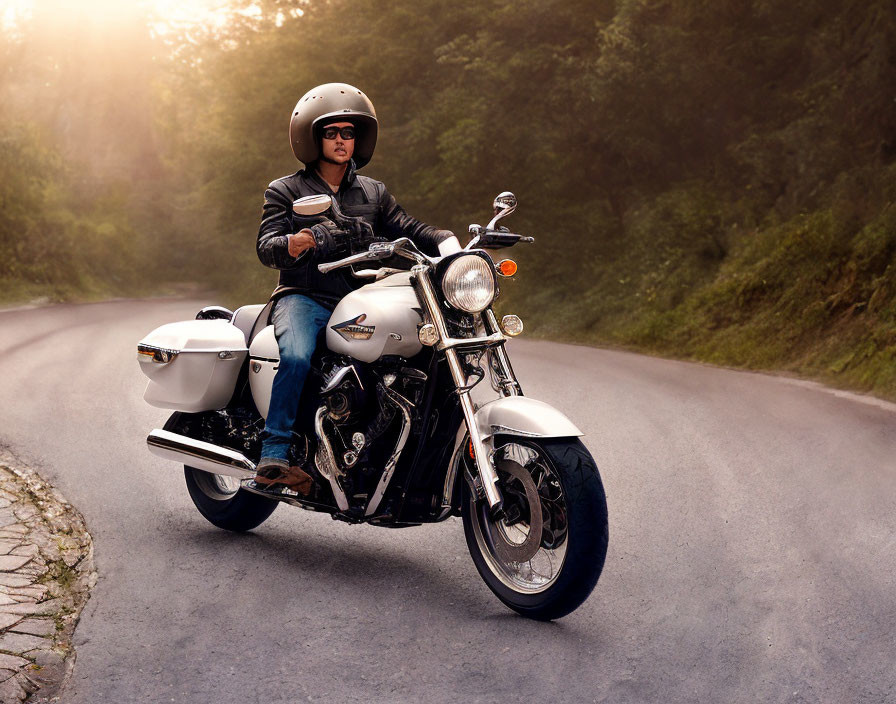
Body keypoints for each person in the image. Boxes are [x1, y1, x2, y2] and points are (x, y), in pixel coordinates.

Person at [246, 82, 461, 498]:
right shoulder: (286, 190)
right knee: (294, 355)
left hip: (361, 298)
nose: (342, 140)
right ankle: (273, 453)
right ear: (312, 137)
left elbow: (409, 228)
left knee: (423, 349)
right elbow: (266, 247)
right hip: (303, 297)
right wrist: (300, 240)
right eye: (332, 133)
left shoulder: (373, 192)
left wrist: (448, 242)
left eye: (349, 132)